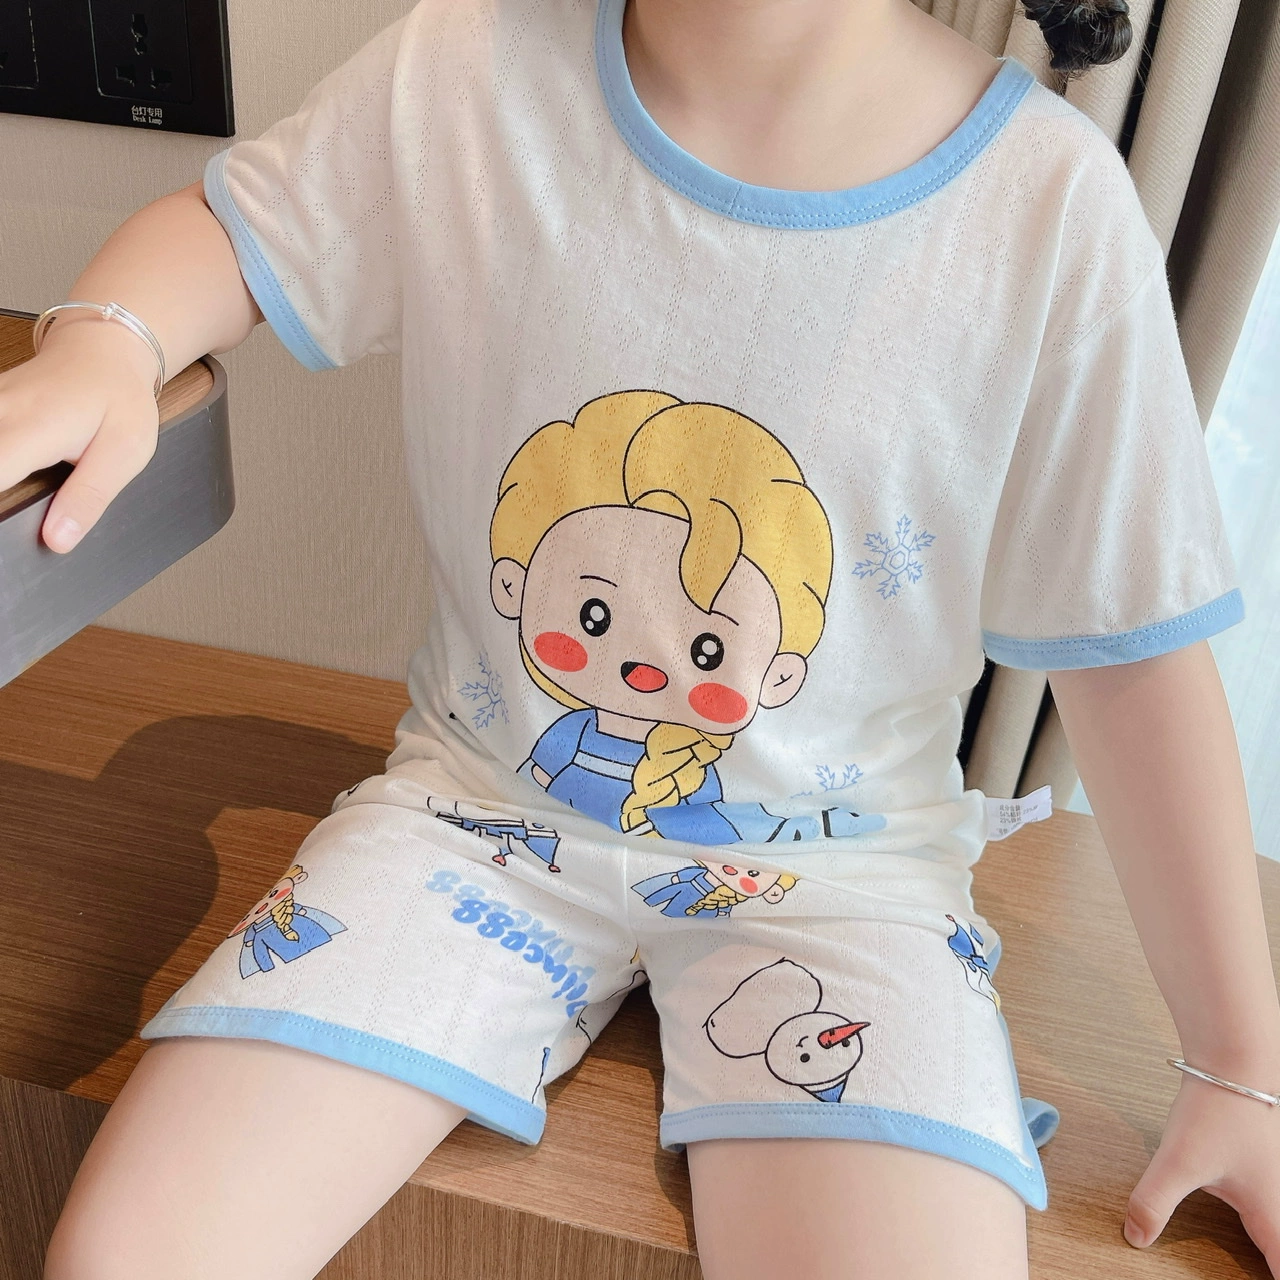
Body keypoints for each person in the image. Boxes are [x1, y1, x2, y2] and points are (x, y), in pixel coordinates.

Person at [2, 0, 1277, 1275]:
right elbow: (237, 228)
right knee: (128, 1259)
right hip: (469, 822)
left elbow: (1131, 643)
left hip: (842, 878)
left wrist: (1239, 1061)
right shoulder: (466, 67)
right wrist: (108, 339)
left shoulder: (1046, 202)